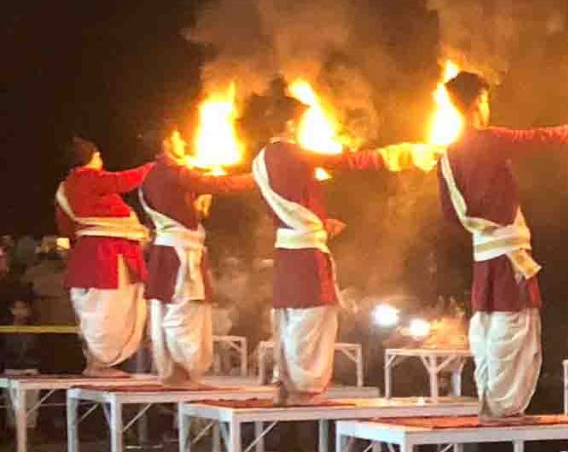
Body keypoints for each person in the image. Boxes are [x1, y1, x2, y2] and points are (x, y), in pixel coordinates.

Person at [432, 70, 568, 416]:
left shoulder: (446, 157)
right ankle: (503, 406)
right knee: (511, 327)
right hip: (508, 255)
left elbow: (450, 216)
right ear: (478, 103)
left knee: (487, 327)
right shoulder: (489, 140)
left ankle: (492, 400)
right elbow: (544, 137)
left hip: (484, 254)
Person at [247, 86, 402, 400]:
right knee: (311, 316)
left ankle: (287, 381)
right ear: (290, 124)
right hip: (305, 254)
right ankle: (305, 386)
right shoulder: (294, 154)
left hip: (289, 248)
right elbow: (347, 162)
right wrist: (397, 155)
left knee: (290, 316)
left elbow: (292, 206)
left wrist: (321, 223)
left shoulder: (260, 159)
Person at [139, 137, 254, 383]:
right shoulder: (173, 172)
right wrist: (257, 177)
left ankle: (175, 370)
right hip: (180, 252)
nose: (187, 144)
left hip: (170, 248)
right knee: (182, 311)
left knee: (172, 309)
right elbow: (221, 184)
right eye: (182, 139)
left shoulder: (153, 174)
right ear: (168, 142)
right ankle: (180, 372)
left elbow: (188, 208)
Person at [54, 139, 152, 372]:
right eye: (98, 155)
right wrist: (156, 167)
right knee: (107, 311)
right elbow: (123, 180)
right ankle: (99, 363)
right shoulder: (86, 177)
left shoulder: (67, 187)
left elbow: (66, 228)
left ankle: (97, 361)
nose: (101, 160)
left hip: (90, 254)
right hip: (106, 256)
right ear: (90, 157)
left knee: (94, 312)